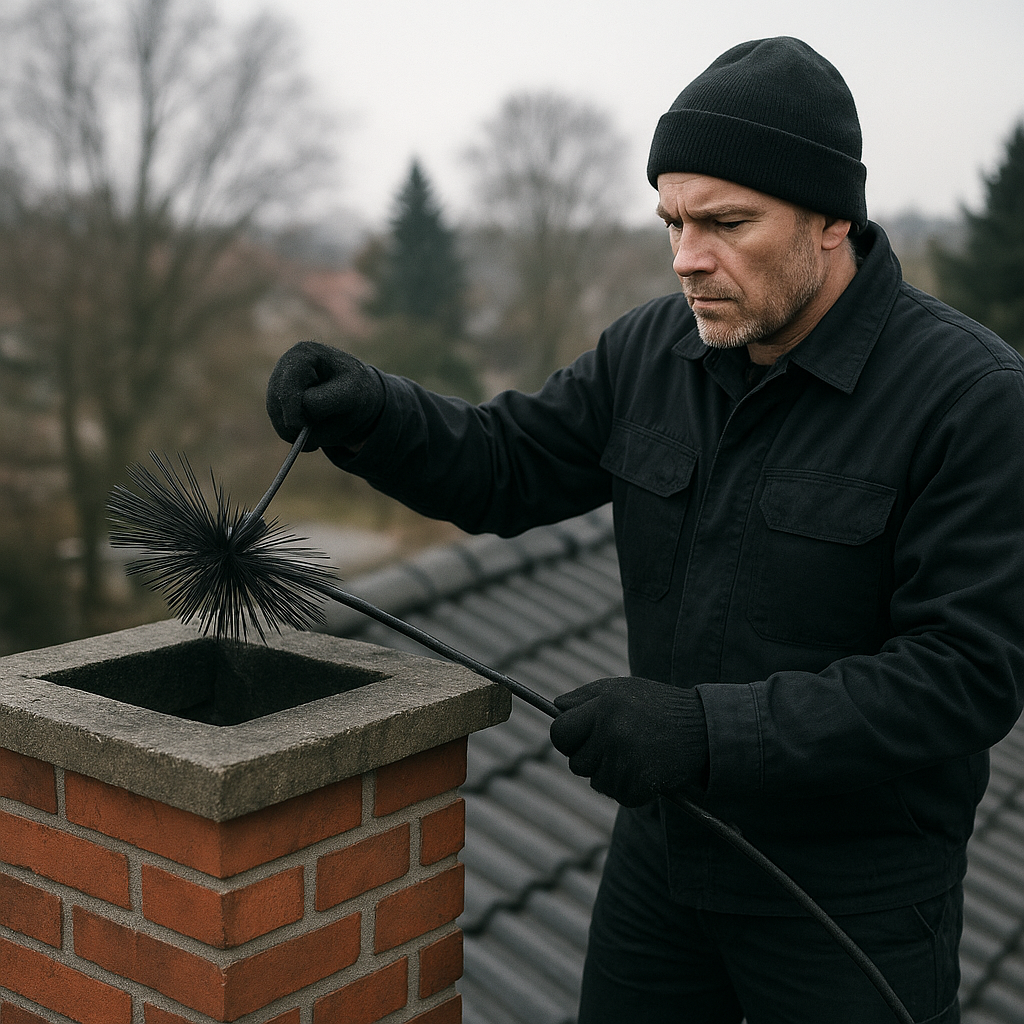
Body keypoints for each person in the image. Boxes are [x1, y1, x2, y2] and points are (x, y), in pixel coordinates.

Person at [265, 37, 1024, 1024]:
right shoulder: (649, 350)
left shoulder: (967, 399)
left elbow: (962, 677)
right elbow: (507, 464)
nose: (685, 259)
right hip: (661, 869)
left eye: (724, 223)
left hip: (853, 900)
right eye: (670, 219)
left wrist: (704, 729)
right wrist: (372, 411)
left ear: (833, 217)